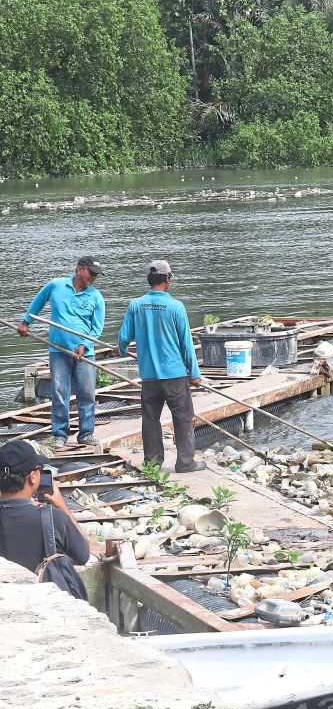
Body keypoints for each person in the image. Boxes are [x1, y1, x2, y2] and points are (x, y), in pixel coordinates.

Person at [117, 260, 206, 472]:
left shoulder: (136, 305)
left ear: (150, 280)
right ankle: (185, 463)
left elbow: (123, 337)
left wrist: (120, 351)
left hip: (149, 377)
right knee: (183, 419)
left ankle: (152, 463)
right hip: (174, 375)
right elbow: (186, 344)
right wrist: (194, 374)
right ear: (168, 280)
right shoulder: (175, 306)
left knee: (150, 420)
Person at [18, 257, 105, 449]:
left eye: (96, 275)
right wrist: (26, 322)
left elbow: (97, 327)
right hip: (58, 351)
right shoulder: (56, 285)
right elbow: (38, 302)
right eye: (91, 273)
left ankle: (86, 434)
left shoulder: (96, 296)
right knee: (59, 392)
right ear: (79, 270)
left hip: (85, 353)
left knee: (87, 393)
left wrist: (84, 344)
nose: (93, 278)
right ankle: (59, 434)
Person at [0, 440, 91, 599]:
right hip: (43, 605)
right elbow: (83, 555)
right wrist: (61, 505)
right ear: (33, 477)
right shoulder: (54, 518)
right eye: (39, 470)